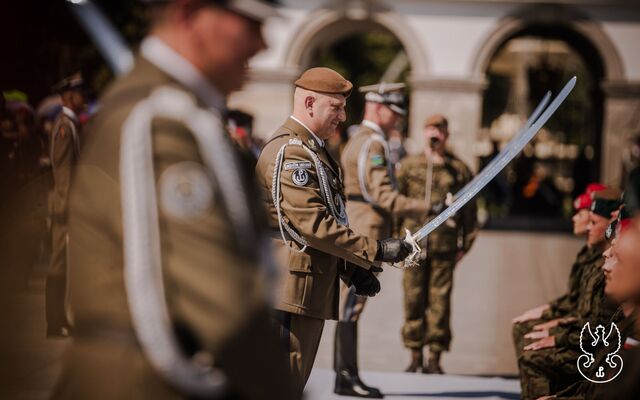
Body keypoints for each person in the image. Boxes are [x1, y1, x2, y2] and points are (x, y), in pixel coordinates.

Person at [52, 1, 294, 399]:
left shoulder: (180, 112)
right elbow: (224, 304)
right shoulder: (162, 120)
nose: (262, 44)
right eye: (250, 23)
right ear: (189, 15)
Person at [255, 67, 413, 396]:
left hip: (304, 290)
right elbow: (313, 226)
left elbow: (330, 218)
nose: (342, 116)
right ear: (310, 103)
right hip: (289, 293)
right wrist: (378, 250)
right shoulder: (293, 153)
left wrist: (351, 268)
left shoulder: (314, 150)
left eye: (343, 107)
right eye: (336, 107)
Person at [334, 82, 428, 398]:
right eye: (394, 111)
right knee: (352, 305)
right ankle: (346, 377)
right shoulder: (373, 143)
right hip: (367, 227)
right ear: (377, 107)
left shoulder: (360, 139)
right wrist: (426, 207)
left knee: (352, 305)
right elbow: (382, 195)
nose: (398, 118)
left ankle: (346, 374)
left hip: (360, 222)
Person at [517, 189, 621, 399]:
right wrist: (554, 321)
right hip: (586, 339)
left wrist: (557, 336)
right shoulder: (595, 258)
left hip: (594, 350)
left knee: (532, 356)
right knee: (526, 332)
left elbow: (599, 327)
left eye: (592, 221)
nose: (607, 255)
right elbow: (581, 308)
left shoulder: (615, 271)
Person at [397, 114, 478, 373]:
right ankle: (414, 353)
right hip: (413, 244)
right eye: (431, 129)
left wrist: (466, 244)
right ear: (423, 132)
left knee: (440, 301)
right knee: (413, 298)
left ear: (447, 134)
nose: (435, 134)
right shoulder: (409, 165)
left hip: (444, 245)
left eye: (440, 130)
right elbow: (396, 203)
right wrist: (393, 240)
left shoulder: (459, 169)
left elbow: (470, 211)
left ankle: (435, 356)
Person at [511, 183, 606, 360]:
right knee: (524, 328)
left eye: (582, 214)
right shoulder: (587, 253)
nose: (575, 219)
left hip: (589, 337)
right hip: (580, 327)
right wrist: (546, 312)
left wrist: (554, 328)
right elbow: (575, 300)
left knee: (531, 348)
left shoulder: (605, 260)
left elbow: (590, 316)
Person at [45, 73, 85, 337]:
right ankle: (54, 321)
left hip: (65, 206)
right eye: (81, 93)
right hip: (63, 208)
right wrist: (68, 209)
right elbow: (64, 174)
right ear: (69, 96)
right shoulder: (64, 126)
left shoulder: (70, 124)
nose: (84, 98)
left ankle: (61, 319)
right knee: (59, 264)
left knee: (64, 264)